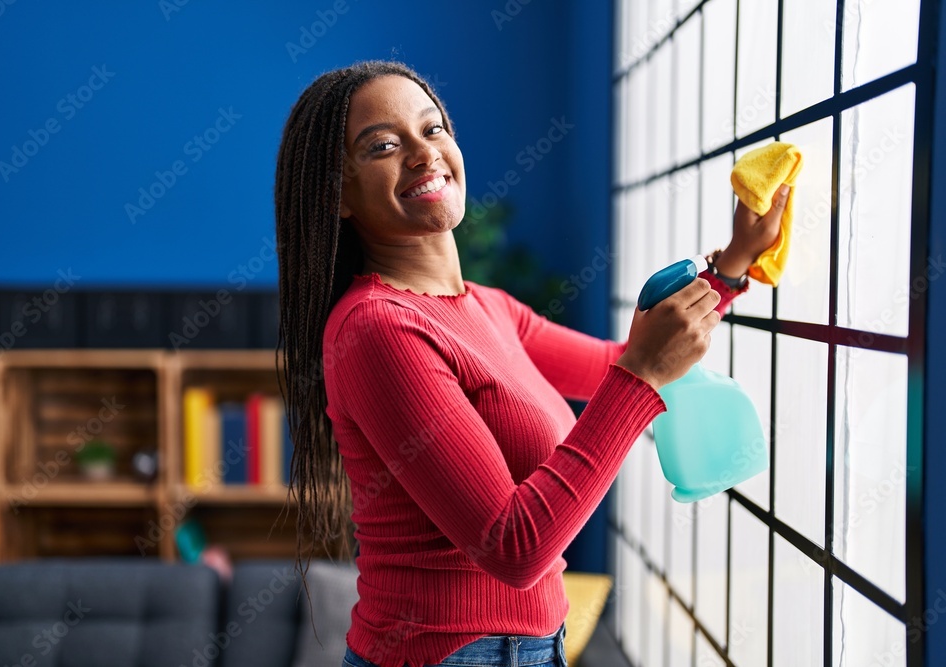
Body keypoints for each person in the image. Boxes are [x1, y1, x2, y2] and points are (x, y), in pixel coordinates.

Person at [273, 61, 788, 667]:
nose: (422, 153)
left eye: (433, 129)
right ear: (338, 193)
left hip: (533, 648)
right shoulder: (377, 330)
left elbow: (621, 365)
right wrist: (641, 376)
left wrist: (729, 268)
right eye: (383, 145)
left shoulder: (488, 309)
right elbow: (512, 547)